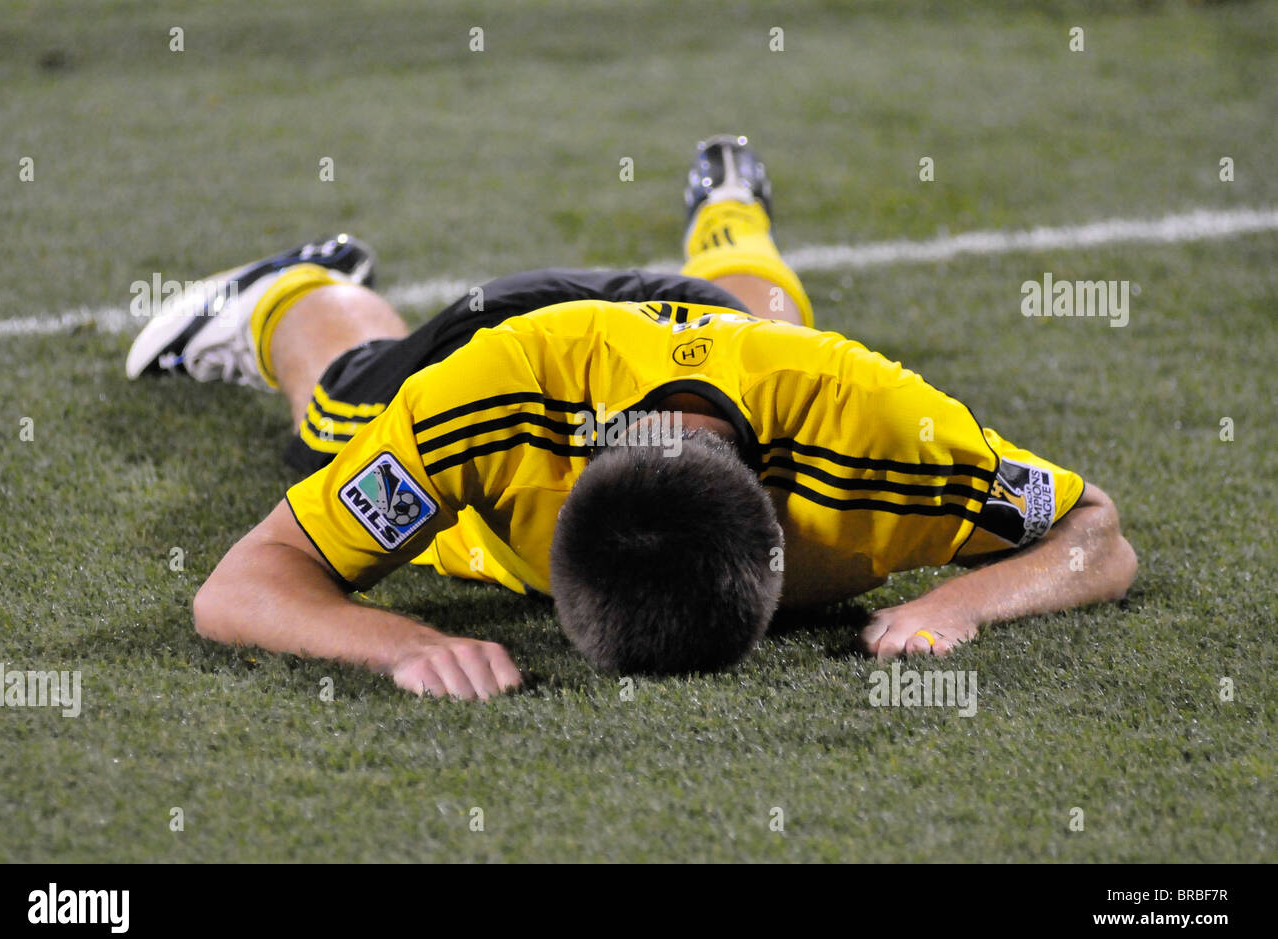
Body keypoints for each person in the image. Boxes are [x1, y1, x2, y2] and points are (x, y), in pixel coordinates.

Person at [126, 135, 1137, 700]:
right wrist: (389, 639)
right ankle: (290, 287)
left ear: (788, 536)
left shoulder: (878, 435)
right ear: (556, 493)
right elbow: (237, 587)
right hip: (514, 326)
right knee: (339, 399)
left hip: (725, 339)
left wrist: (960, 603)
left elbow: (1096, 530)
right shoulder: (478, 412)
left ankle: (731, 210)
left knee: (774, 327)